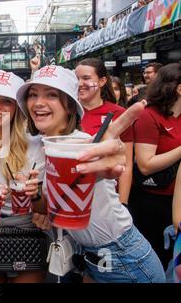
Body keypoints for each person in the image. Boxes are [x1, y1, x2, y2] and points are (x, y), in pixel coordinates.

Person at [16, 65, 165, 283]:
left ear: (69, 106)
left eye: (51, 95)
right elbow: (52, 206)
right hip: (85, 256)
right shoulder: (39, 146)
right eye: (33, 94)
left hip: (123, 257)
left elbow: (106, 157)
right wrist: (36, 197)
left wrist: (114, 157)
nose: (38, 102)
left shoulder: (84, 144)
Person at [0, 70, 47, 283]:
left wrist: (35, 194)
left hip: (27, 232)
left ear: (16, 109)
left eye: (6, 101)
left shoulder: (35, 145)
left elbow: (44, 209)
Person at [130, 63, 181, 270]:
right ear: (179, 88)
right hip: (152, 202)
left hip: (177, 201)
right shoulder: (149, 116)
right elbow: (145, 164)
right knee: (156, 262)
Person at [75, 58, 134, 206]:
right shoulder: (66, 111)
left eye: (86, 78)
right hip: (71, 193)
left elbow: (126, 164)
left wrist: (123, 202)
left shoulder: (119, 114)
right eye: (76, 78)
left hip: (107, 198)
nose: (80, 83)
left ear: (102, 81)